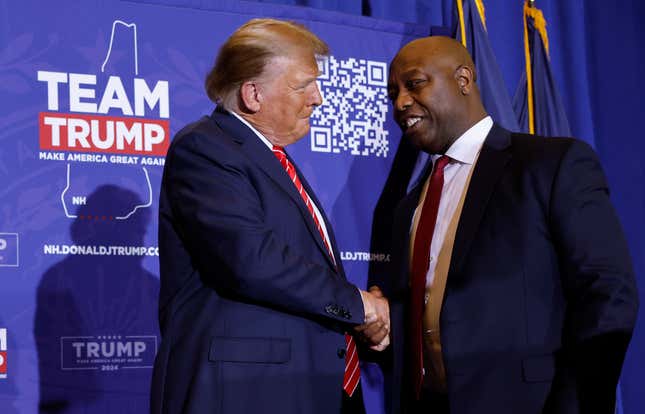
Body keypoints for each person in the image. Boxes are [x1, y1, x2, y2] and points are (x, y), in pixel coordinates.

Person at [382, 36, 638, 414]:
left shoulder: (551, 165)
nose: (401, 103)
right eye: (393, 93)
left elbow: (608, 294)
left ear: (463, 79)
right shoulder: (410, 204)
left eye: (414, 83)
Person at [150, 18, 389, 414]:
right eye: (303, 85)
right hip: (247, 393)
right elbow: (250, 260)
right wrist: (357, 304)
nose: (318, 98)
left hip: (305, 386)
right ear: (253, 94)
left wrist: (356, 319)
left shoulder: (269, 159)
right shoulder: (206, 149)